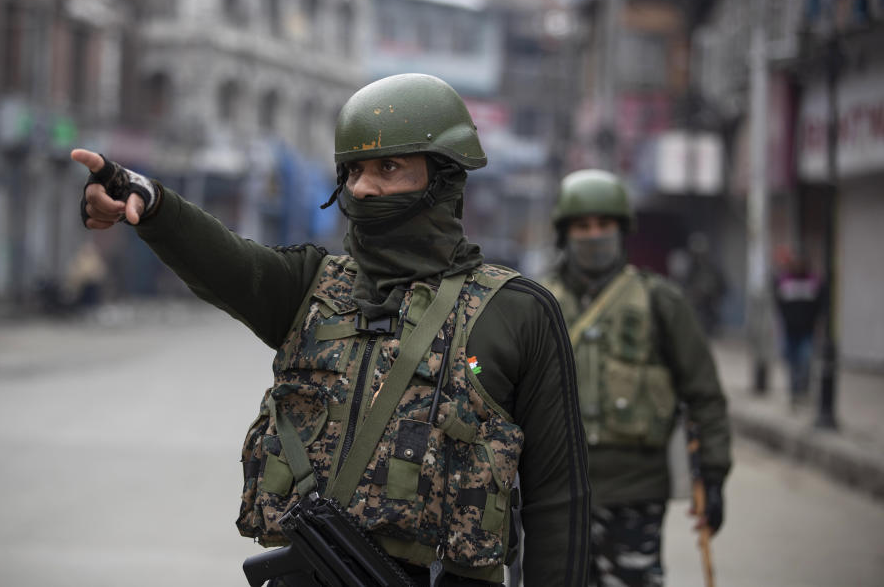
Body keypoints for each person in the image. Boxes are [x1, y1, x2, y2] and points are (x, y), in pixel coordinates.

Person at [74, 73, 590, 586]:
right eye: (354, 170)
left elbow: (558, 498)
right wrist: (151, 203)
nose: (364, 187)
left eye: (389, 167)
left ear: (445, 177)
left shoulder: (518, 312)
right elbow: (226, 262)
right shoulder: (310, 287)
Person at [541, 169, 731, 587]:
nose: (594, 235)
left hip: (635, 491)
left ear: (622, 230)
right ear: (564, 232)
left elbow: (704, 394)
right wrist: (474, 364)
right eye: (582, 226)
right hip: (551, 493)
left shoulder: (661, 301)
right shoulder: (534, 302)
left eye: (604, 224)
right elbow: (484, 371)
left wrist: (713, 475)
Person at [773, 252, 824, 408]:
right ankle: (794, 391)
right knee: (792, 361)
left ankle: (803, 390)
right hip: (790, 329)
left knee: (805, 360)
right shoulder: (784, 281)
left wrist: (814, 321)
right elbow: (779, 303)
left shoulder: (813, 281)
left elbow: (820, 303)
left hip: (807, 329)